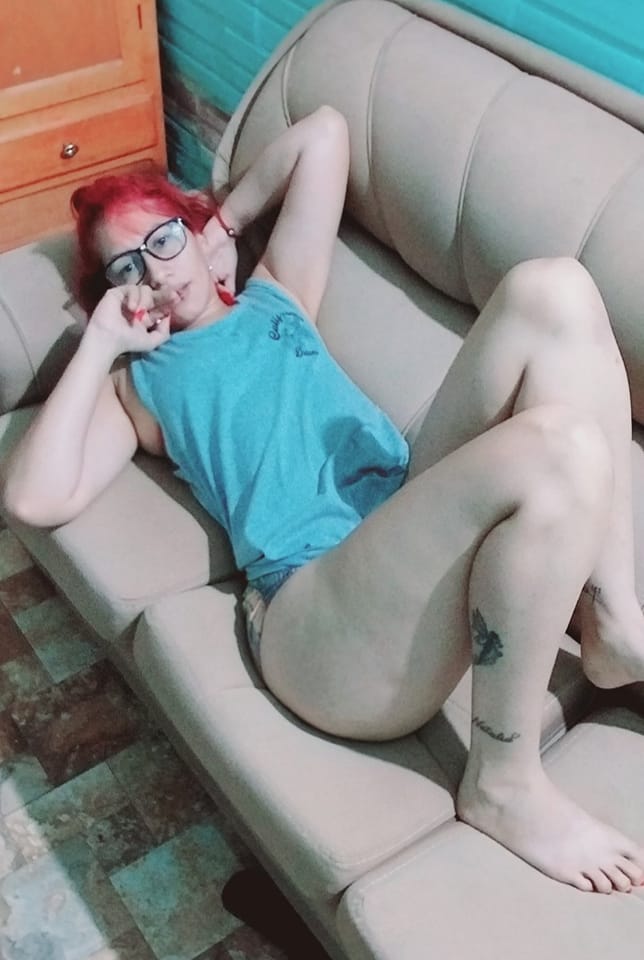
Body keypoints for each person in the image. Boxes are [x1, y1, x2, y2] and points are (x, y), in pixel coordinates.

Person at [3, 105, 644, 895]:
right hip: (315, 617)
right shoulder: (140, 386)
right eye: (126, 268)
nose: (157, 274)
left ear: (194, 232)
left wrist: (226, 222)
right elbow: (31, 498)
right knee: (560, 447)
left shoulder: (279, 293)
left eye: (163, 240)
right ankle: (502, 784)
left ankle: (614, 624)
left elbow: (327, 133)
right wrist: (101, 341)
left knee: (555, 288)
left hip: (404, 523)